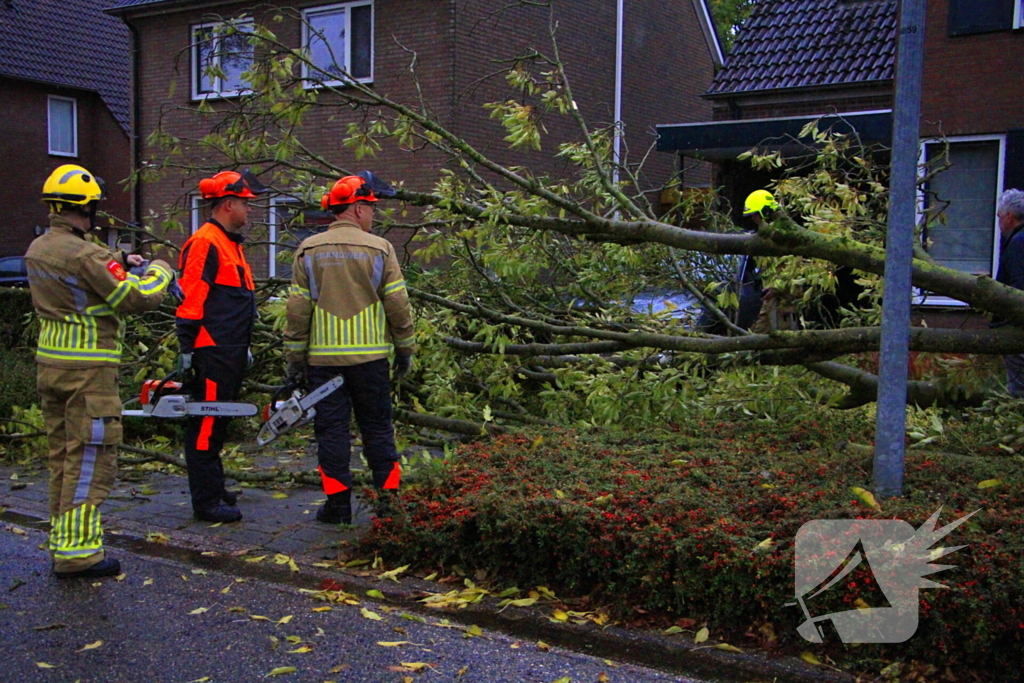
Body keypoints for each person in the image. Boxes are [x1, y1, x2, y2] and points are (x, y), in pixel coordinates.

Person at [26, 164, 174, 578]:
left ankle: (65, 541)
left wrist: (120, 259)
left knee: (62, 456)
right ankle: (78, 555)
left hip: (52, 367)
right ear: (87, 207)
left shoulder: (41, 247)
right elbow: (135, 297)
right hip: (88, 372)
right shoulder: (85, 254)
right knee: (91, 458)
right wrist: (161, 270)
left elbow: (85, 271)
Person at [283, 171, 416, 524]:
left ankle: (338, 506)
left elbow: (297, 310)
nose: (373, 215)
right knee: (378, 430)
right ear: (356, 209)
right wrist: (405, 349)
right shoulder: (380, 248)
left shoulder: (307, 249)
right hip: (371, 361)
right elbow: (398, 305)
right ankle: (389, 504)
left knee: (331, 433)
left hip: (324, 365)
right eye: (371, 208)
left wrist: (295, 359)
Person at [176, 169, 265, 523]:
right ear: (228, 204)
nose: (249, 211)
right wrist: (188, 350)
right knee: (206, 425)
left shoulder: (228, 243)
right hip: (212, 351)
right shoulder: (206, 243)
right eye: (245, 204)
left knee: (218, 423)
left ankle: (214, 487)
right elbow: (192, 300)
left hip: (227, 349)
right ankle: (206, 502)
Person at [994, 188, 1024, 396]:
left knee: (1018, 387)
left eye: (999, 217)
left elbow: (1018, 284)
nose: (999, 223)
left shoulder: (1018, 243)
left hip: (1017, 328)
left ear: (1009, 216)